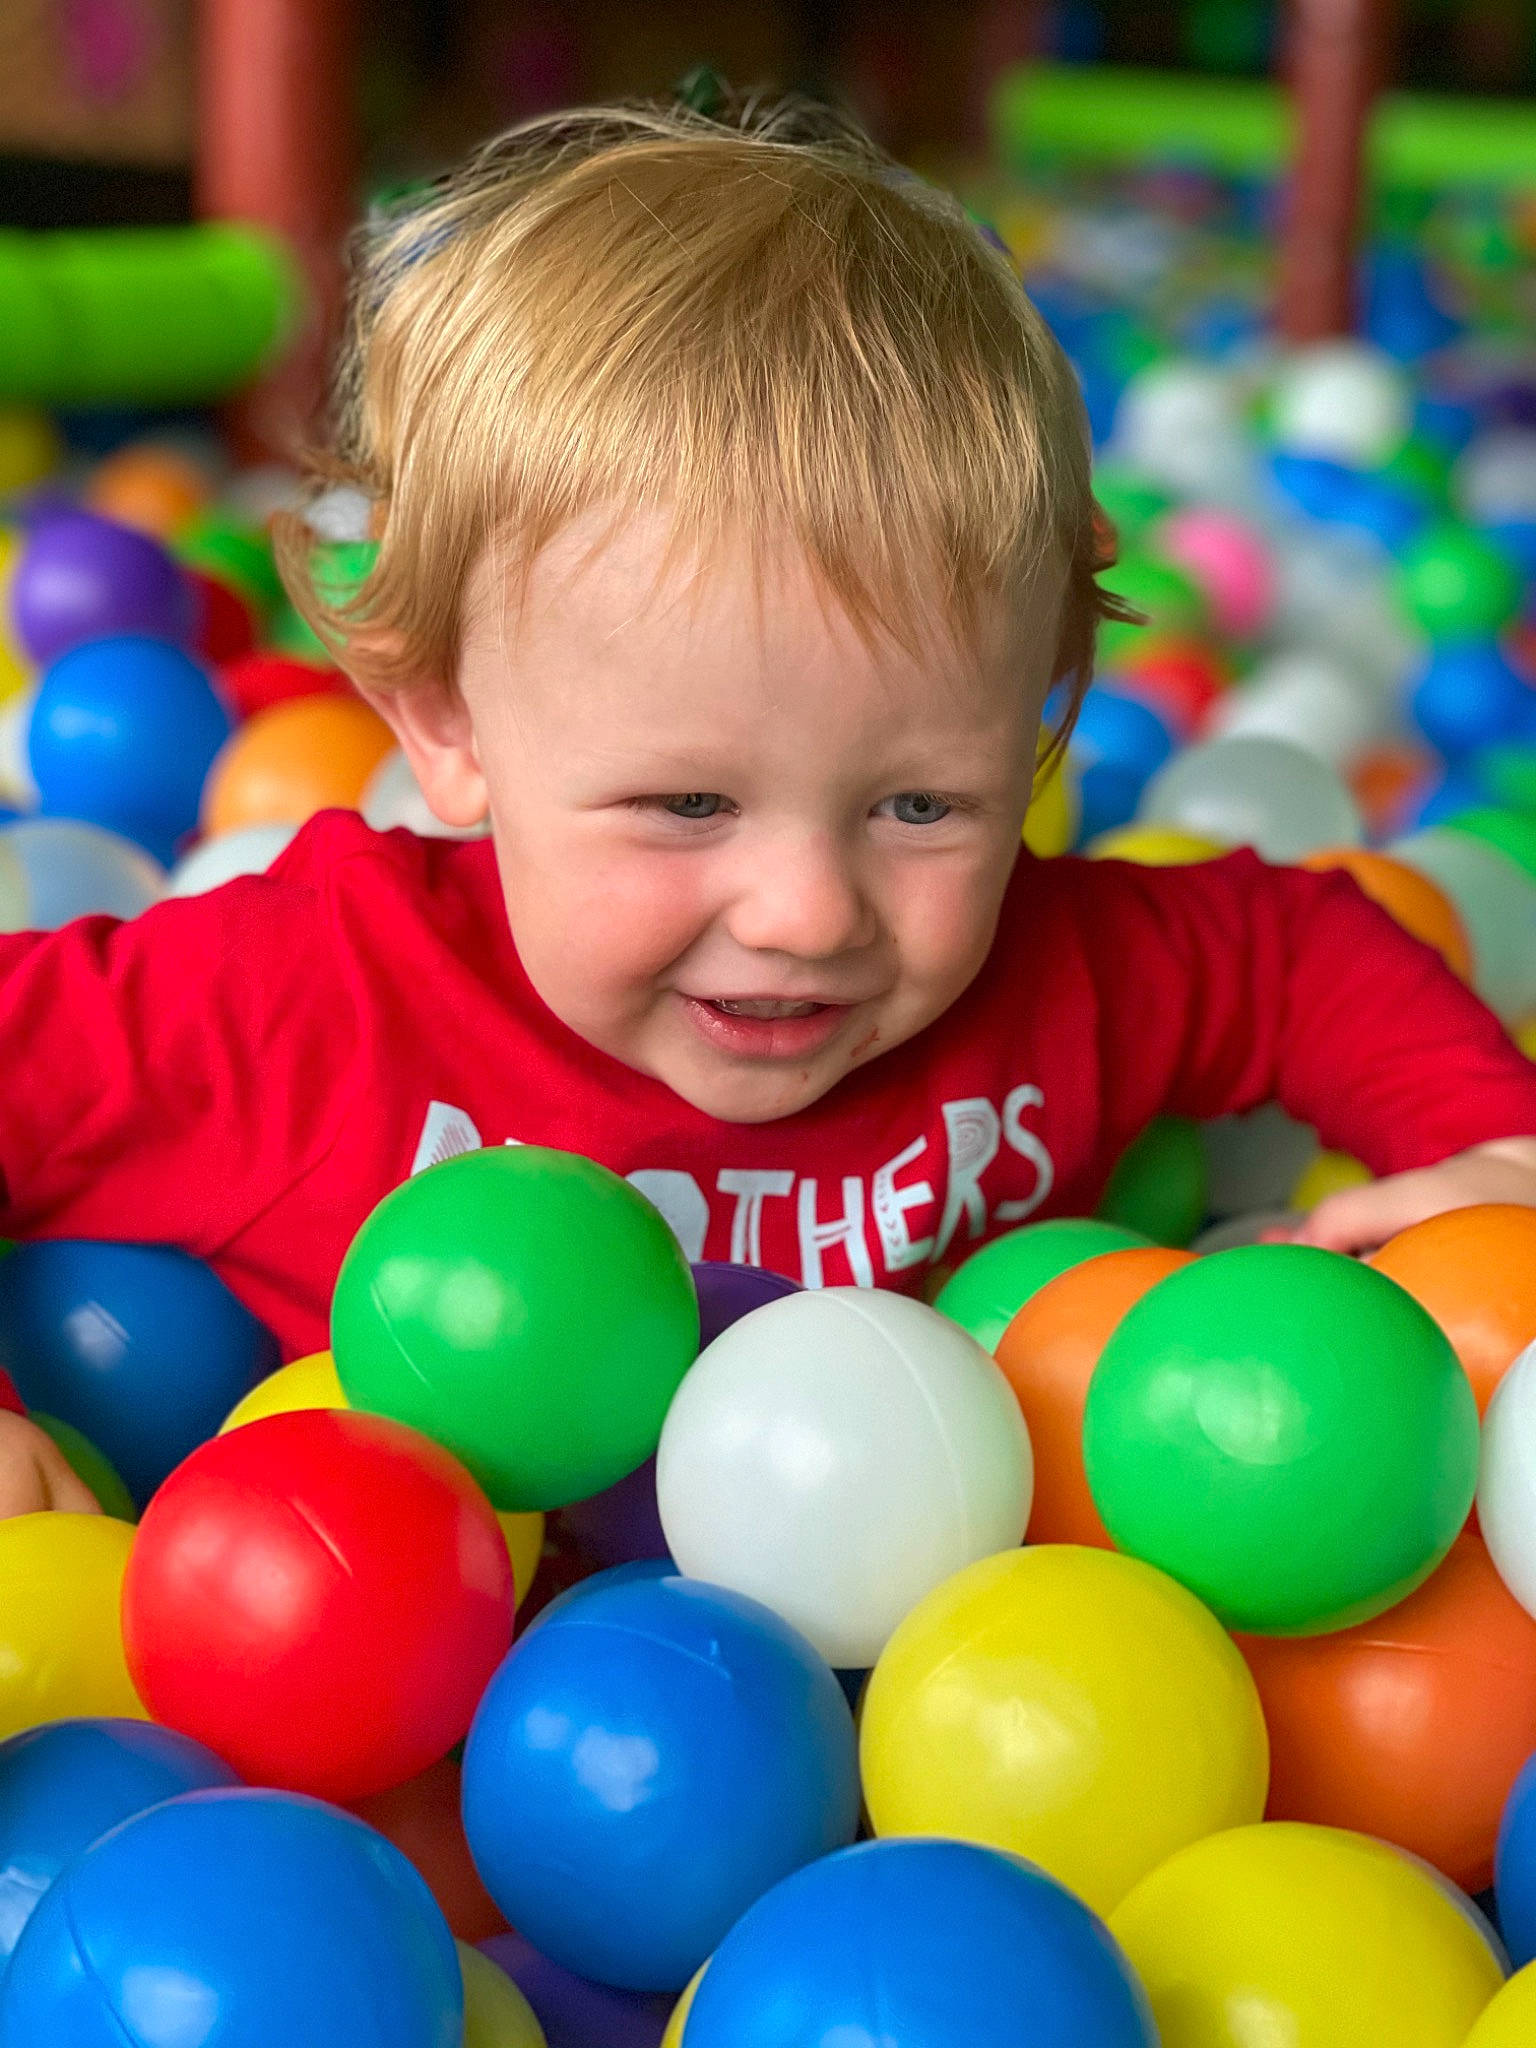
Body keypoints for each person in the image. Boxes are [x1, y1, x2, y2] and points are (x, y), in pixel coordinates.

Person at [1, 93, 1534, 1512]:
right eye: (686, 802)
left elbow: (1294, 948)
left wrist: (1490, 1153)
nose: (807, 913)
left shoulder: (1064, 977)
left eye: (923, 807)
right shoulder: (305, 999)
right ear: (452, 723)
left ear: (1037, 725)